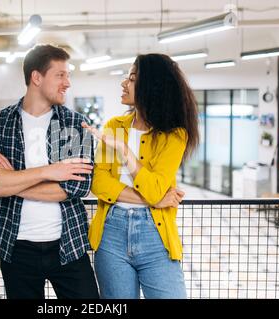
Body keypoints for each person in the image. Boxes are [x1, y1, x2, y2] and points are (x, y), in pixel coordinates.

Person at [0, 44, 99, 299]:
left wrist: (13, 180)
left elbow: (76, 188)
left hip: (69, 243)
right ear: (37, 77)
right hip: (16, 247)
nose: (68, 83)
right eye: (60, 75)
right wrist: (50, 171)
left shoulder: (75, 124)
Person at [82, 53, 199, 299]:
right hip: (110, 234)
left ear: (151, 87)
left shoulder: (175, 135)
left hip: (155, 235)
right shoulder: (114, 125)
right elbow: (98, 182)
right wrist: (152, 200)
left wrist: (125, 152)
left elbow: (156, 188)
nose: (124, 83)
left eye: (132, 78)